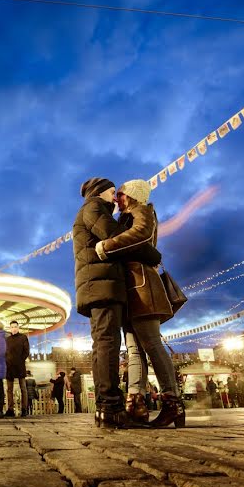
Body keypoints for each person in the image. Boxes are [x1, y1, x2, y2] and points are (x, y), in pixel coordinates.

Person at [73, 177, 162, 428]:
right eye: (112, 192)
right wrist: (153, 253)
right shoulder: (93, 208)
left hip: (101, 284)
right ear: (99, 192)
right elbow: (115, 237)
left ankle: (107, 406)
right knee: (107, 344)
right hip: (102, 285)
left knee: (105, 343)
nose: (115, 197)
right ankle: (110, 407)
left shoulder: (95, 209)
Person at [96, 179, 183, 428]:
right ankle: (136, 403)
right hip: (132, 290)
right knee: (133, 348)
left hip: (143, 288)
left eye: (120, 194)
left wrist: (106, 246)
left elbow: (141, 234)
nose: (116, 198)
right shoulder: (125, 216)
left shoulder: (141, 211)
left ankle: (172, 401)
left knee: (152, 343)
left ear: (132, 195)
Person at [4, 320, 30, 417]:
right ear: (10, 328)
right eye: (12, 327)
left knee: (23, 388)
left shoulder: (23, 337)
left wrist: (20, 360)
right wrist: (7, 361)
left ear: (18, 327)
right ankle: (10, 409)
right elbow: (5, 353)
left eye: (15, 326)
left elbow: (26, 351)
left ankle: (24, 409)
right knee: (9, 389)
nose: (14, 328)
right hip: (9, 367)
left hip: (20, 366)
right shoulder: (7, 340)